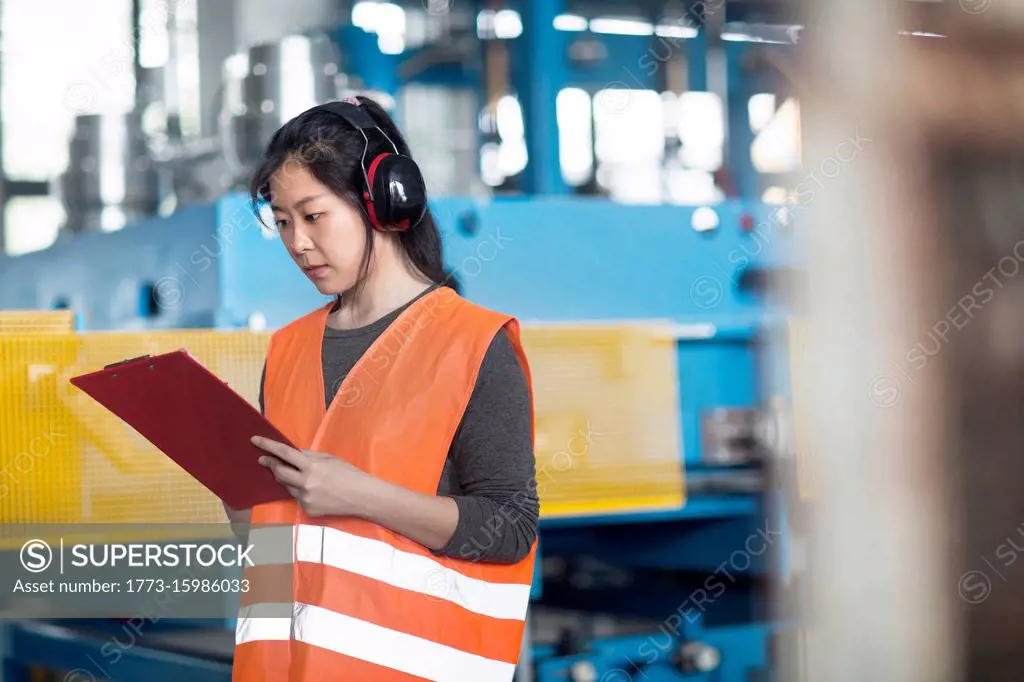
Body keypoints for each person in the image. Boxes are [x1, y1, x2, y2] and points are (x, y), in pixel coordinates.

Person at [223, 95, 539, 682]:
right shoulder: (287, 349)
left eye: (314, 216)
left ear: (385, 201)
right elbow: (281, 535)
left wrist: (360, 493)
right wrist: (244, 503)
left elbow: (509, 529)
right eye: (282, 220)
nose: (297, 243)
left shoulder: (472, 343)